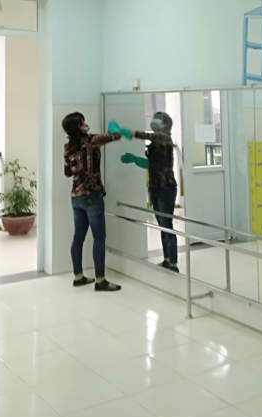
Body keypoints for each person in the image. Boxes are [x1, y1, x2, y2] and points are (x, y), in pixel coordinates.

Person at [62, 112, 129, 292]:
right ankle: (100, 281)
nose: (86, 125)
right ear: (78, 127)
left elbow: (67, 173)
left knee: (78, 237)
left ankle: (78, 277)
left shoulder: (67, 147)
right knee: (99, 237)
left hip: (76, 197)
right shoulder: (91, 140)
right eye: (83, 123)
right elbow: (116, 136)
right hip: (92, 195)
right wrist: (114, 129)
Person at [120, 111, 179, 273]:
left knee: (167, 225)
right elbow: (150, 164)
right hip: (155, 187)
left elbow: (148, 135)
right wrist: (135, 159)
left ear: (165, 124)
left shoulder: (165, 138)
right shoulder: (155, 143)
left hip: (166, 188)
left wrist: (131, 133)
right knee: (162, 225)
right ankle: (167, 260)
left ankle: (173, 263)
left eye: (158, 119)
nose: (154, 121)